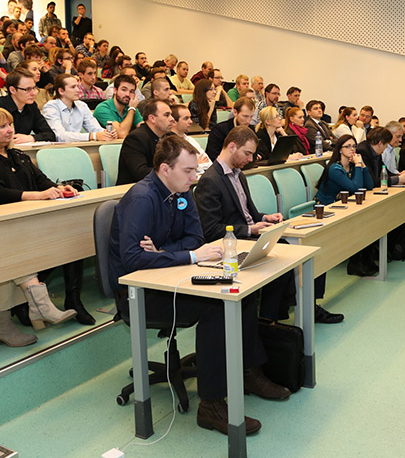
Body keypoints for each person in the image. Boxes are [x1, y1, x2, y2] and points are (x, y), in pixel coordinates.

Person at [109, 134, 289, 436]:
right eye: (188, 171)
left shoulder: (181, 192)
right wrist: (187, 255)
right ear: (165, 169)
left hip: (170, 276)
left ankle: (248, 372)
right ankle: (211, 405)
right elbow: (132, 259)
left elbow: (197, 237)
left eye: (195, 170)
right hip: (140, 293)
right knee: (217, 307)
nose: (195, 177)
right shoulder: (142, 198)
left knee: (241, 295)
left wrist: (163, 251)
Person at [0, 108, 83, 338]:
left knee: (71, 237)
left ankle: (59, 301)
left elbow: (42, 181)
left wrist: (60, 189)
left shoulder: (18, 155)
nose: (9, 130)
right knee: (22, 249)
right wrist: (37, 196)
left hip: (26, 224)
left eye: (10, 125)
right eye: (2, 126)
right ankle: (34, 305)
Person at [194, 126, 296, 322]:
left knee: (287, 252)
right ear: (232, 147)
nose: (250, 159)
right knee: (280, 255)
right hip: (234, 243)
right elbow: (211, 229)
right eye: (247, 153)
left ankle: (273, 317)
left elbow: (249, 214)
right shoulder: (210, 181)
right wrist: (250, 229)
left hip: (247, 236)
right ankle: (268, 319)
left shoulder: (238, 174)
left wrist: (265, 218)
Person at [317, 134, 375, 278]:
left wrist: (362, 165)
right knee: (359, 222)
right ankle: (355, 263)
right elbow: (356, 188)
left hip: (342, 206)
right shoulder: (335, 168)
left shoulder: (352, 166)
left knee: (369, 218)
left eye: (354, 146)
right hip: (326, 209)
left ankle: (365, 260)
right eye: (347, 146)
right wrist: (358, 165)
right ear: (340, 149)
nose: (352, 149)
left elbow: (369, 186)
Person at [114, 98, 175, 185]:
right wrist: (172, 172)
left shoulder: (171, 137)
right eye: (167, 115)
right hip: (136, 189)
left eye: (171, 115)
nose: (172, 119)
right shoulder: (135, 139)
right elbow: (141, 173)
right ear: (152, 118)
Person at [42, 73, 116, 143]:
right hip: (57, 149)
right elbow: (60, 136)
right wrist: (92, 136)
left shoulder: (82, 105)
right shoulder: (50, 107)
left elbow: (95, 128)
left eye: (77, 86)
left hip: (78, 147)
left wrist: (107, 133)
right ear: (61, 91)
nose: (78, 90)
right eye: (73, 87)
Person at [0, 69, 56, 143]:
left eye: (34, 88)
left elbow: (50, 135)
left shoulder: (31, 106)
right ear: (13, 90)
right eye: (28, 89)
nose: (33, 93)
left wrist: (32, 138)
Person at [93, 72, 142, 138]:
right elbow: (122, 134)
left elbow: (144, 128)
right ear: (115, 90)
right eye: (124, 90)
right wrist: (132, 109)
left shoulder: (131, 107)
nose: (127, 94)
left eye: (131, 91)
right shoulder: (102, 108)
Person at [205, 97, 255, 161]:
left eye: (251, 116)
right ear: (235, 112)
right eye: (245, 116)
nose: (248, 121)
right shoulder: (219, 130)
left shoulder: (251, 130)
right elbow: (213, 156)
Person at [170, 103, 211, 174]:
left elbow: (208, 163)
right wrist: (197, 165)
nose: (191, 122)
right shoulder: (168, 143)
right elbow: (179, 170)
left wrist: (195, 166)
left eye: (190, 118)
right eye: (186, 118)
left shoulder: (190, 140)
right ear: (174, 122)